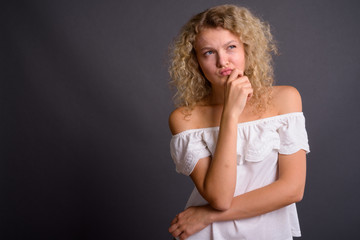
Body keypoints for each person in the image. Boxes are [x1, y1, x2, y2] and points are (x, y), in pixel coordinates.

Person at [168, 4, 310, 240]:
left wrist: (208, 215)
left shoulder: (286, 99)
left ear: (247, 49)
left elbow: (292, 190)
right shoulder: (185, 118)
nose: (223, 61)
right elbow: (220, 198)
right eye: (209, 52)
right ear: (197, 63)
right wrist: (230, 114)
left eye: (231, 47)